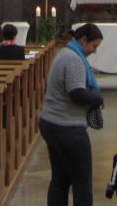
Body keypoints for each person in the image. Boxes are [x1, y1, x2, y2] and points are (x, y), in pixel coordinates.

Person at [39, 22, 105, 205]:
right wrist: (97, 98)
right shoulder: (74, 59)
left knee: (60, 179)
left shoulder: (66, 53)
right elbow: (77, 94)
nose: (95, 51)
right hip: (67, 127)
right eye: (94, 46)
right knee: (82, 182)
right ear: (83, 40)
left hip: (51, 121)